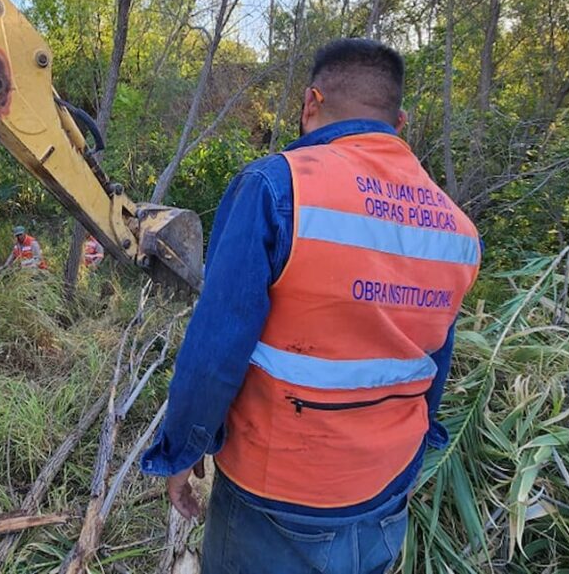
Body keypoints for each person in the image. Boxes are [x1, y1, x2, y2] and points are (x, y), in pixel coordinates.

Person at [140, 39, 481, 574]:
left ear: (310, 102)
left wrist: (182, 450)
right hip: (388, 490)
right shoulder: (456, 230)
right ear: (401, 120)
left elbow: (215, 350)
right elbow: (433, 365)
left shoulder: (277, 186)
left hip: (278, 493)